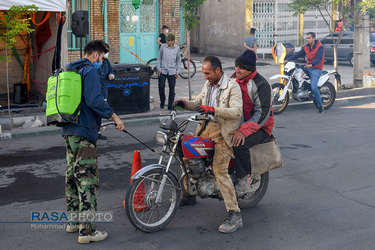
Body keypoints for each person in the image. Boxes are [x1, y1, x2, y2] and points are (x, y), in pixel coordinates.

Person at [62, 40, 125, 244]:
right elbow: (94, 100)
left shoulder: (71, 70)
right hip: (84, 132)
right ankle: (86, 231)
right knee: (87, 180)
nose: (103, 60)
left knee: (72, 176)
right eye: (103, 56)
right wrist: (114, 116)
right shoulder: (89, 71)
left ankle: (73, 222)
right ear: (96, 54)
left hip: (69, 130)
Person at [173, 56, 244, 234]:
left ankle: (235, 215)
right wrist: (185, 103)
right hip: (205, 129)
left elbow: (236, 112)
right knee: (186, 154)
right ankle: (189, 194)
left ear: (218, 70)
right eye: (204, 73)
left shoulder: (232, 87)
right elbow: (199, 102)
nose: (205, 76)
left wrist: (214, 110)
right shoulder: (209, 85)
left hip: (223, 133)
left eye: (207, 73)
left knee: (220, 171)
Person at [229, 49, 274, 195]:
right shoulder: (233, 79)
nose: (237, 70)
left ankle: (244, 179)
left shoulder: (261, 84)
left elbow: (262, 113)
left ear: (250, 69)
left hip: (261, 126)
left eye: (241, 67)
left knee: (240, 144)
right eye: (236, 66)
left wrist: (243, 131)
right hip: (240, 122)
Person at [285, 32, 325, 114]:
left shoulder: (320, 47)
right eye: (306, 38)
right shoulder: (306, 47)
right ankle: (300, 89)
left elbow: (319, 58)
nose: (307, 39)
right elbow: (298, 54)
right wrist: (288, 59)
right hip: (307, 67)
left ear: (314, 38)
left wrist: (312, 64)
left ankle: (320, 106)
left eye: (309, 38)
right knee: (296, 72)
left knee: (314, 87)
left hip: (316, 68)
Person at [96, 43, 115, 140]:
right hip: (95, 88)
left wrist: (111, 75)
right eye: (104, 52)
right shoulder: (95, 63)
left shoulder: (106, 62)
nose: (106, 54)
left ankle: (98, 130)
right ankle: (94, 130)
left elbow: (110, 71)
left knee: (101, 110)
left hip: (103, 87)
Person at [157, 33, 181, 110]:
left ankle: (170, 105)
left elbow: (178, 60)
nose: (166, 41)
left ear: (173, 41)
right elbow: (159, 58)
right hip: (163, 71)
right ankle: (162, 102)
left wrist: (177, 71)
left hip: (172, 71)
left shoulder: (177, 48)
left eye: (168, 40)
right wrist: (159, 69)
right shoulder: (163, 47)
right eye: (166, 40)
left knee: (172, 89)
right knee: (161, 86)